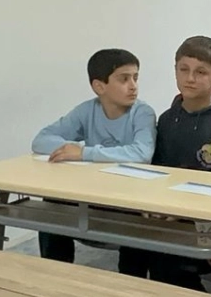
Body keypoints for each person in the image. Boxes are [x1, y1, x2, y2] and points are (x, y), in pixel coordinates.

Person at [118, 36, 211, 286]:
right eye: (183, 70)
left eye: (200, 72)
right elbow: (157, 170)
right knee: (131, 246)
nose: (190, 78)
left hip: (202, 215)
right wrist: (152, 205)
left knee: (167, 262)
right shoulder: (167, 118)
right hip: (166, 209)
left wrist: (181, 210)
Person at [30, 47, 156, 263]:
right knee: (52, 204)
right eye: (124, 79)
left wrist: (84, 153)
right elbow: (41, 140)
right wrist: (71, 149)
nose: (133, 86)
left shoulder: (142, 113)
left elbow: (141, 153)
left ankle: (129, 276)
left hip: (130, 196)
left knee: (138, 229)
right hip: (93, 191)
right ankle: (55, 270)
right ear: (99, 86)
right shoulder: (87, 111)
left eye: (135, 78)